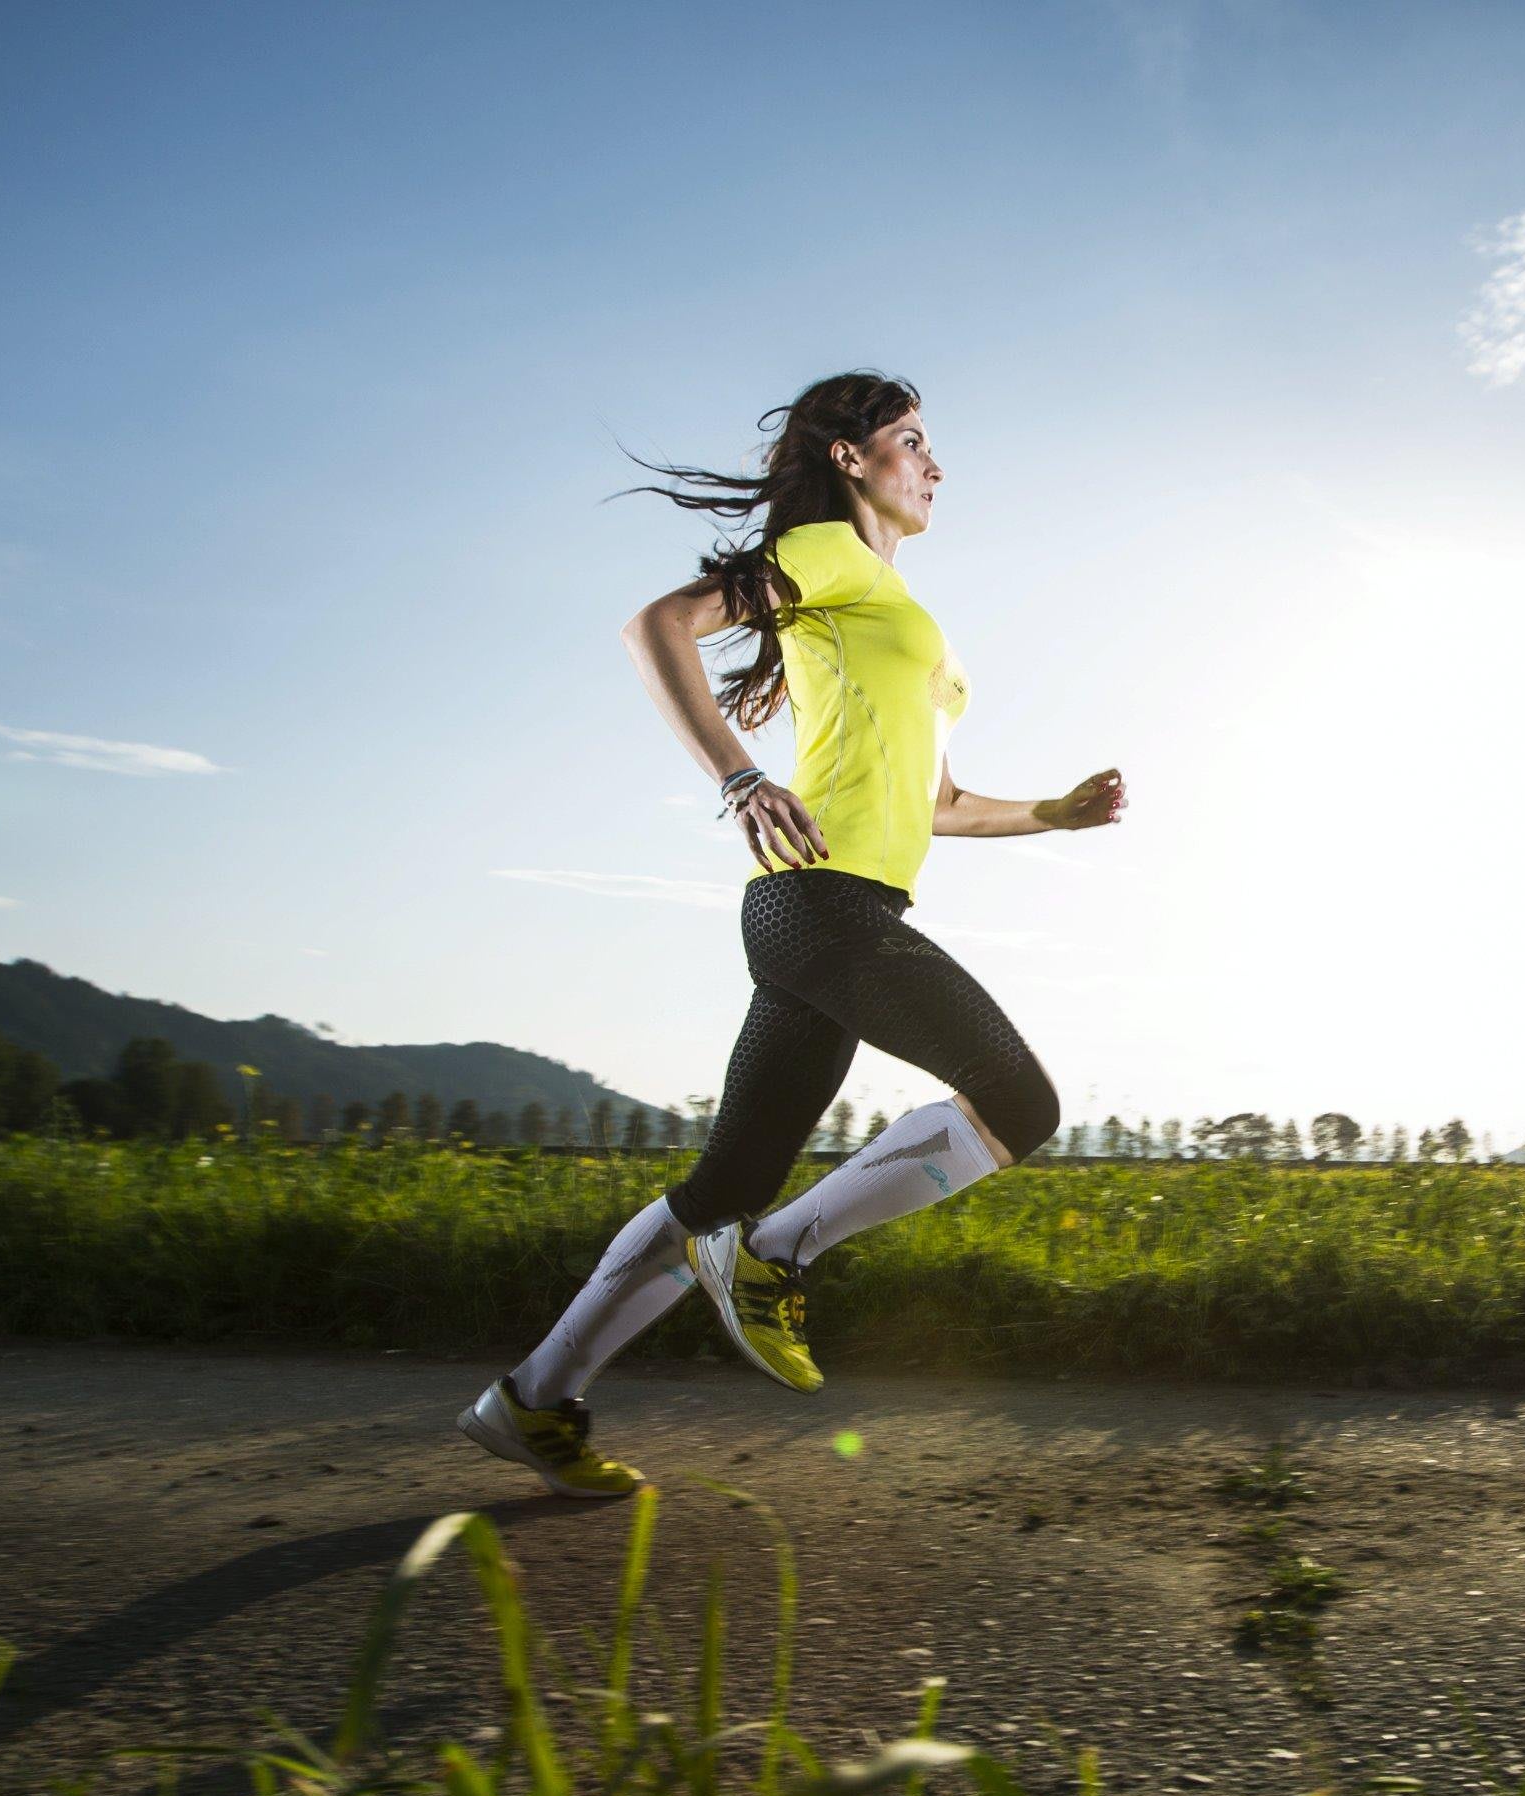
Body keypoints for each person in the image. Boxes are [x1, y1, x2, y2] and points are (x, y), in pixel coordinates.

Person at [460, 371, 1124, 1497]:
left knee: (721, 1184)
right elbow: (655, 625)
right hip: (821, 906)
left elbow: (937, 806)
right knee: (1018, 1101)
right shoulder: (831, 555)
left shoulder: (904, 620)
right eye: (911, 441)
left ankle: (529, 1400)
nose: (935, 465)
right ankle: (773, 1257)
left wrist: (1049, 815)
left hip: (834, 911)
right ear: (849, 459)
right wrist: (738, 780)